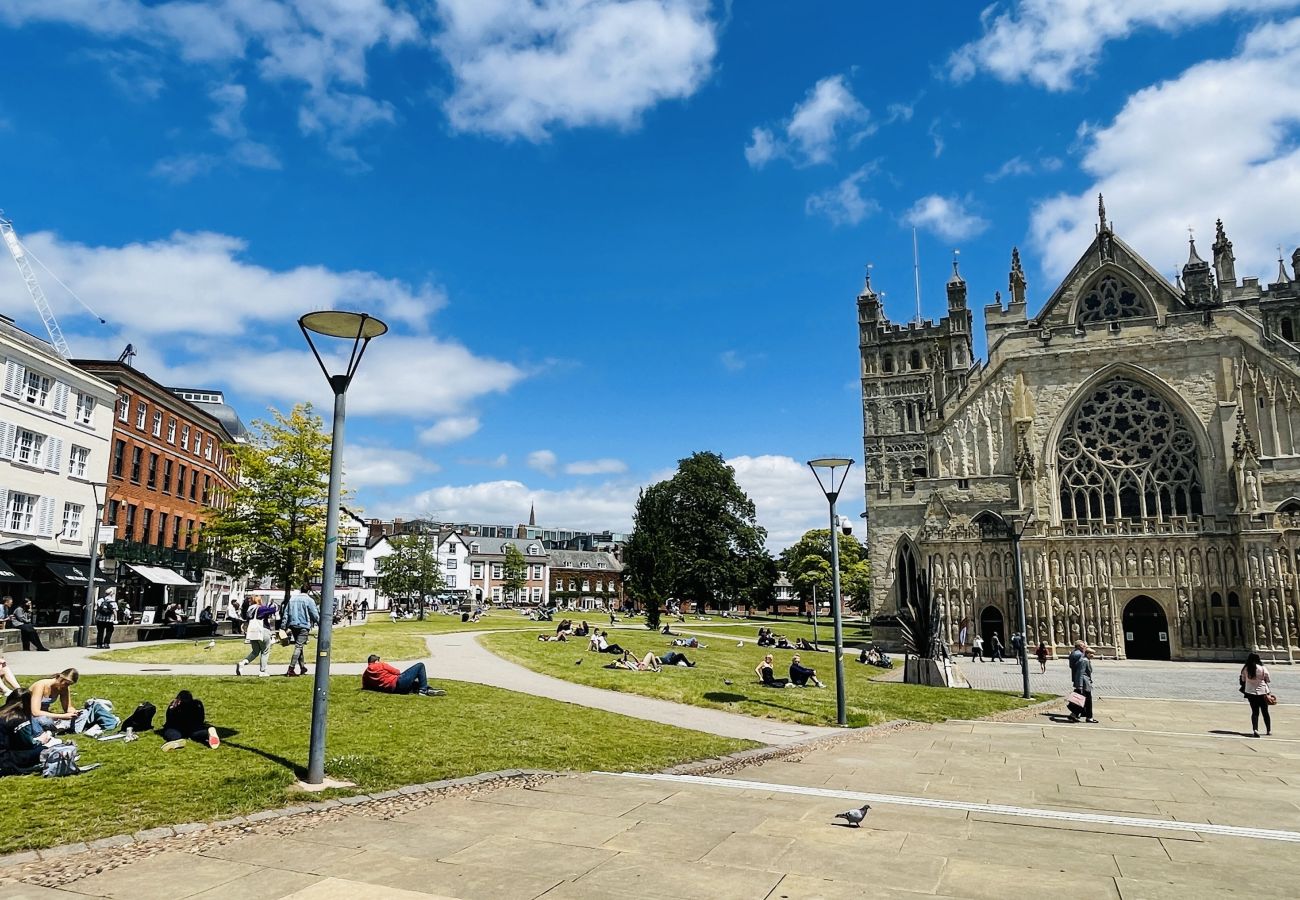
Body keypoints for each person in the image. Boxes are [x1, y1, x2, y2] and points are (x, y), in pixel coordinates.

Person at [28, 668, 78, 738]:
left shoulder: (64, 688)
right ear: (59, 677)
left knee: (84, 714)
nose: (66, 686)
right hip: (30, 716)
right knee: (45, 721)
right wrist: (62, 716)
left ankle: (56, 727)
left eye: (70, 684)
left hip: (47, 715)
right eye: (66, 683)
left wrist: (74, 712)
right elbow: (35, 712)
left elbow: (68, 708)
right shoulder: (41, 685)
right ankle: (56, 728)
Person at [362, 654, 444, 696]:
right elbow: (397, 672)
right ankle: (423, 690)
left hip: (392, 690)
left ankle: (428, 690)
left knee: (414, 684)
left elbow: (366, 686)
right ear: (376, 661)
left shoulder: (365, 674)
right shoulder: (381, 665)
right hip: (397, 683)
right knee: (420, 665)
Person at [280, 589, 319, 678]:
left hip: (293, 625)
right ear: (308, 591)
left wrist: (283, 626)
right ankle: (291, 668)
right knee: (299, 646)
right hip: (303, 625)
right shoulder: (309, 600)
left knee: (299, 646)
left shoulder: (292, 599)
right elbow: (314, 614)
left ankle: (302, 667)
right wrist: (321, 624)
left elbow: (286, 613)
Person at [236, 598, 277, 677]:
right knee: (265, 652)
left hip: (252, 633)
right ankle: (263, 671)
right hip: (262, 631)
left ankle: (243, 663)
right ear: (259, 601)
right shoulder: (260, 608)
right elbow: (273, 609)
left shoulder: (249, 610)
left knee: (255, 652)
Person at [1240, 652, 1273, 738]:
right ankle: (1268, 730)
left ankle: (1255, 729)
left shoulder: (1246, 668)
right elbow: (1268, 679)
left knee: (1255, 712)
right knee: (1265, 711)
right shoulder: (1262, 668)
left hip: (1250, 692)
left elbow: (1243, 679)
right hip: (1262, 692)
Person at [1070, 647, 1097, 723]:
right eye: (1091, 653)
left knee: (1082, 701)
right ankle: (1089, 717)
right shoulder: (1084, 661)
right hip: (1084, 684)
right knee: (1087, 701)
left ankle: (1074, 714)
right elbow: (1080, 674)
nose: (1093, 655)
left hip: (1086, 683)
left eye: (1093, 654)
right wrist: (1080, 686)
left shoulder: (1086, 660)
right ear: (1087, 653)